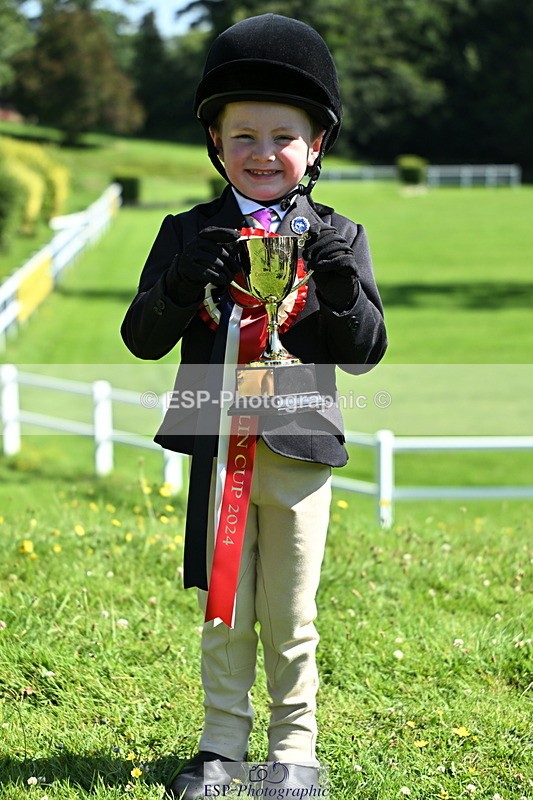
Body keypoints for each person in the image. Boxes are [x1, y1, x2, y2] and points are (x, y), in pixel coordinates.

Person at [121, 13, 387, 799]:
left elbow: (365, 349)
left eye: (281, 136)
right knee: (225, 605)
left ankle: (295, 749)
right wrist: (176, 285)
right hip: (216, 446)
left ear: (315, 147)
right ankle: (220, 747)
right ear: (215, 144)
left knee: (291, 606)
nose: (262, 153)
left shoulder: (339, 233)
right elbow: (141, 337)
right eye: (242, 137)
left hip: (300, 445)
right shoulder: (187, 230)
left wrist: (339, 289)